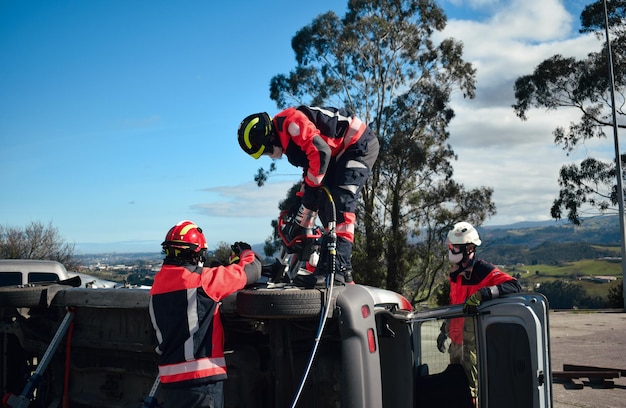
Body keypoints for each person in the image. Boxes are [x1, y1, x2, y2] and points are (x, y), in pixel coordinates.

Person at [237, 106, 379, 287]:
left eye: (265, 151)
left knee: (341, 206)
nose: (269, 156)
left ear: (269, 137)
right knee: (327, 209)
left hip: (358, 145)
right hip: (339, 153)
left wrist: (311, 190)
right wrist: (301, 197)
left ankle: (340, 270)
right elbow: (312, 165)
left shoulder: (291, 123)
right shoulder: (287, 135)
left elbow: (321, 153)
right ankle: (328, 268)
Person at [149, 220, 261, 408]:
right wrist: (245, 253)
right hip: (201, 381)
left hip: (170, 382)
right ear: (198, 254)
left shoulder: (157, 286)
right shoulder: (204, 281)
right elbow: (253, 269)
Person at [437, 221, 521, 405]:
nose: (450, 251)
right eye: (450, 247)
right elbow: (455, 305)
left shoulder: (483, 271)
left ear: (469, 248)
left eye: (454, 247)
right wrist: (445, 329)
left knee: (472, 395)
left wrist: (485, 293)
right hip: (457, 347)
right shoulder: (456, 274)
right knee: (456, 391)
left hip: (475, 348)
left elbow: (514, 286)